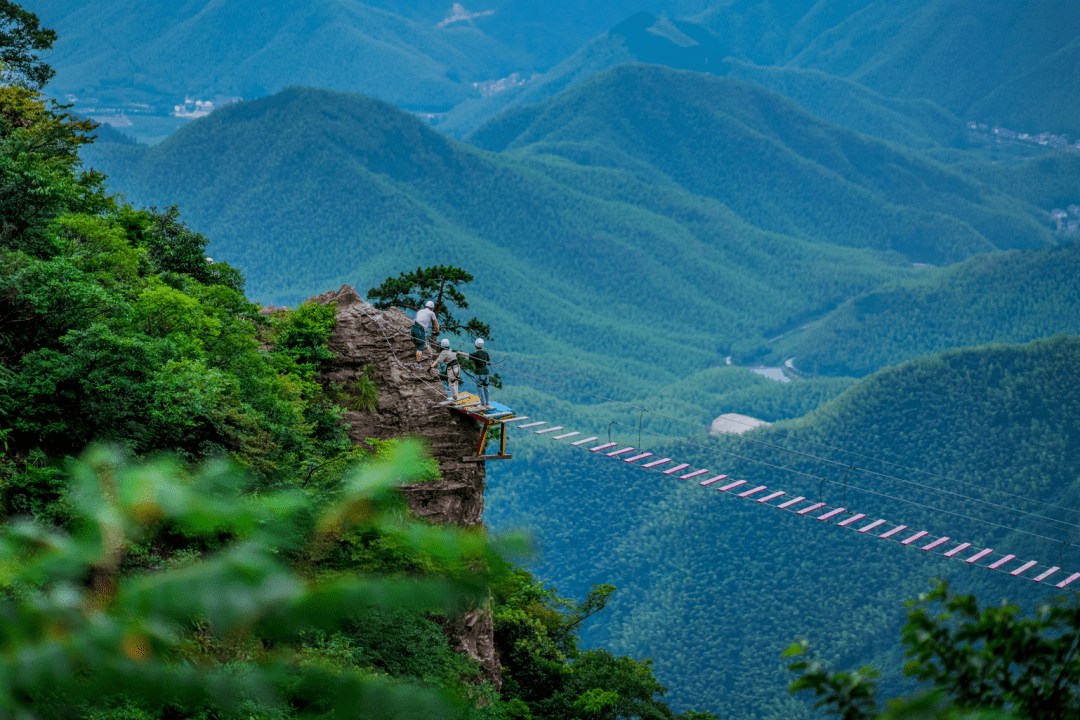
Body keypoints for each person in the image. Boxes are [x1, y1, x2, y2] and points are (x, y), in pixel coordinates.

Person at [469, 338, 491, 406]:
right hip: (486, 373)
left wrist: (457, 352)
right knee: (486, 388)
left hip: (478, 373)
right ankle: (487, 403)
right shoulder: (486, 353)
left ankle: (483, 403)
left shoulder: (475, 354)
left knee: (480, 389)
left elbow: (466, 355)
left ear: (475, 345)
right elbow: (488, 362)